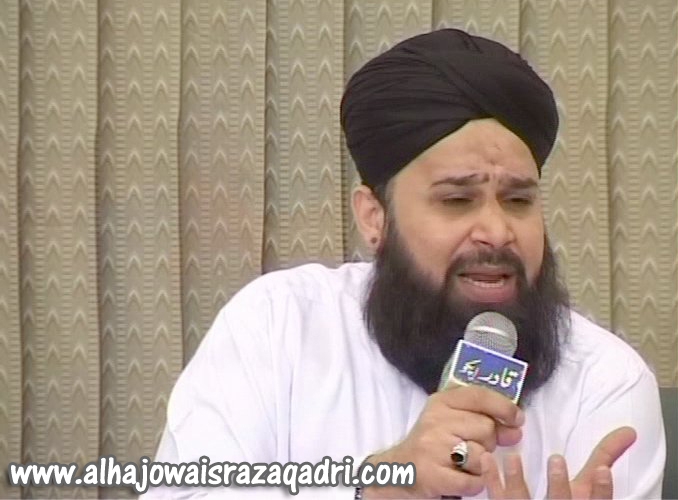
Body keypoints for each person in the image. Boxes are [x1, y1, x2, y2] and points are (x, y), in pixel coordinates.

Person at [143, 28, 666, 499]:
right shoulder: (277, 327)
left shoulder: (605, 381)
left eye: (518, 200)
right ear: (374, 217)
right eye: (456, 200)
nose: (497, 231)